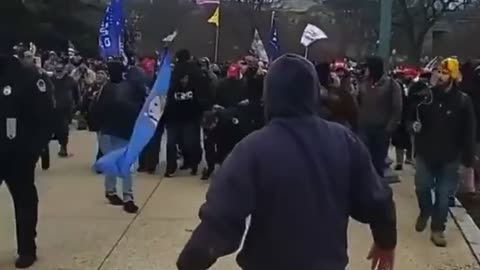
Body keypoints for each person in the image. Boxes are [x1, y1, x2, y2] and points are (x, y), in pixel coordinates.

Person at [177, 54, 397, 270]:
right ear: (312, 93)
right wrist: (386, 240)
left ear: (270, 95)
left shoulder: (253, 148)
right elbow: (377, 198)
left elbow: (220, 221)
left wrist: (189, 263)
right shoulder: (345, 141)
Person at [410, 58, 476, 247]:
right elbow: (412, 115)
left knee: (443, 194)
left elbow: (469, 131)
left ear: (453, 77)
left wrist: (468, 161)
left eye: (444, 73)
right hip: (426, 152)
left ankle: (438, 229)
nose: (439, 76)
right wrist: (413, 125)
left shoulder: (463, 102)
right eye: (438, 71)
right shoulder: (426, 97)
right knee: (422, 186)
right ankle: (425, 211)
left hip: (450, 156)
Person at [0, 54, 55, 268]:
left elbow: (45, 116)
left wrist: (33, 150)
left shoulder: (27, 77)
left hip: (18, 155)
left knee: (24, 203)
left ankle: (26, 249)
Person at [91, 60, 144, 213]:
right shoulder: (114, 88)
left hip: (118, 131)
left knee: (121, 164)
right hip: (113, 131)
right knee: (118, 164)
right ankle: (118, 194)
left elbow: (97, 108)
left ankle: (121, 194)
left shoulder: (119, 88)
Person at [358, 56, 403, 178]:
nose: (365, 70)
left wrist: (388, 129)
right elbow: (358, 103)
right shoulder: (363, 83)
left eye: (367, 67)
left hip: (381, 131)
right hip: (363, 129)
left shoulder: (392, 85)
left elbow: (397, 109)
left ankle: (377, 191)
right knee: (362, 163)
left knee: (377, 165)